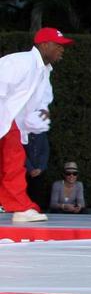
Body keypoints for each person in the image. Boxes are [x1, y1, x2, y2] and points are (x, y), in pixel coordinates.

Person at [0, 28, 70, 223]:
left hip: (8, 121)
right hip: (4, 118)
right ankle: (20, 206)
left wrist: (36, 120)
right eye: (58, 45)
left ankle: (19, 206)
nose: (61, 50)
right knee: (13, 160)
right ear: (44, 45)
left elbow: (38, 105)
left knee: (12, 162)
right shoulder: (20, 62)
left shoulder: (44, 72)